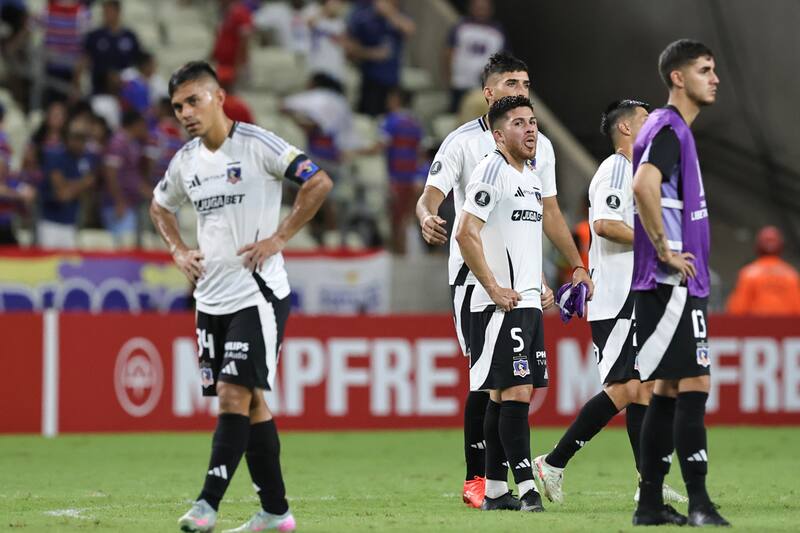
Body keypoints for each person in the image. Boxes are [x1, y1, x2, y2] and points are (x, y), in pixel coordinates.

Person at [150, 61, 331, 533]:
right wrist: (178, 250)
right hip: (210, 301)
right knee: (251, 405)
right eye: (178, 107)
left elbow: (318, 181)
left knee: (233, 394)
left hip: (258, 294)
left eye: (193, 101)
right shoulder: (185, 161)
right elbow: (159, 206)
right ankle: (276, 512)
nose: (186, 113)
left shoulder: (257, 144)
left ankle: (206, 505)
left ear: (218, 97)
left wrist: (279, 238)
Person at [415, 52, 590, 509]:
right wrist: (427, 216)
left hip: (520, 283)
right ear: (489, 92)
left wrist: (570, 266)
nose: (520, 90)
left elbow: (548, 214)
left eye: (526, 84)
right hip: (474, 278)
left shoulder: (538, 148)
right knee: (488, 378)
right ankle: (480, 479)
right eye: (511, 83)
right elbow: (432, 198)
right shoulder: (465, 144)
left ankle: (493, 484)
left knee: (504, 384)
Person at [534, 99, 687, 506]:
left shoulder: (638, 173)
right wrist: (656, 242)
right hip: (618, 298)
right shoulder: (617, 168)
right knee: (624, 389)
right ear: (625, 129)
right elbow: (604, 224)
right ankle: (553, 462)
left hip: (635, 296)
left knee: (643, 388)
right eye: (645, 120)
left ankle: (648, 481)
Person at [455, 95, 574, 512]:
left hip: (525, 301)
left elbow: (519, 240)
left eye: (533, 121)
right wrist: (492, 287)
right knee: (518, 391)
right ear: (498, 134)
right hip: (497, 306)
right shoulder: (492, 170)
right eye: (519, 123)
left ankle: (493, 490)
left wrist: (538, 283)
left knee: (502, 395)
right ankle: (526, 490)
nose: (530, 129)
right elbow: (465, 232)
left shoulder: (532, 177)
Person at [630, 39, 729, 527]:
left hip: (672, 283)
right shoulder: (669, 128)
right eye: (704, 70)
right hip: (671, 282)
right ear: (678, 77)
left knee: (668, 389)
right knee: (695, 382)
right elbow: (643, 185)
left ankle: (650, 505)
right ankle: (699, 504)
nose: (714, 78)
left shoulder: (671, 130)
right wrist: (665, 250)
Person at [37, 115, 98, 248]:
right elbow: (62, 195)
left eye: (83, 139)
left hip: (71, 223)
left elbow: (88, 192)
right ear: (67, 137)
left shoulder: (86, 159)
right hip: (51, 224)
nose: (79, 143)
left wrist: (71, 186)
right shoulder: (55, 156)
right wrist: (83, 183)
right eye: (76, 138)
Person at [346, 0, 415, 116]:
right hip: (371, 79)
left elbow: (410, 30)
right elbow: (349, 49)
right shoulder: (364, 17)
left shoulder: (397, 16)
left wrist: (390, 14)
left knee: (391, 118)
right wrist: (372, 54)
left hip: (392, 79)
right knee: (369, 118)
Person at [376, 88, 424, 254]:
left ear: (396, 100)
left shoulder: (390, 121)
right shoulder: (415, 122)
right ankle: (403, 251)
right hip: (413, 174)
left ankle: (398, 252)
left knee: (396, 216)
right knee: (406, 216)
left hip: (396, 174)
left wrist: (358, 152)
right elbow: (420, 151)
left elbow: (381, 145)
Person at [444, 0, 507, 112]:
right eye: (478, 7)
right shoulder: (462, 26)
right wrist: (448, 77)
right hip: (460, 83)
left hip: (483, 88)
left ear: (490, 10)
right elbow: (449, 52)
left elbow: (503, 60)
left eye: (484, 8)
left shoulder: (498, 32)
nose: (481, 11)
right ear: (471, 8)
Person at [101, 110, 151, 246]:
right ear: (135, 125)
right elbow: (110, 173)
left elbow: (132, 175)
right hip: (118, 205)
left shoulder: (133, 144)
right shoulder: (117, 143)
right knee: (122, 246)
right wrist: (119, 201)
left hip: (130, 204)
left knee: (129, 243)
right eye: (143, 125)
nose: (145, 129)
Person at [726, 225, 800, 315]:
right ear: (781, 245)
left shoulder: (748, 274)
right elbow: (797, 307)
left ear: (757, 245)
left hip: (755, 323)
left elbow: (736, 309)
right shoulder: (791, 274)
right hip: (787, 324)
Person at [81, 0, 142, 95]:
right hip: (100, 90)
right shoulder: (94, 36)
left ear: (118, 12)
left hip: (126, 91)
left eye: (109, 11)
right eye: (105, 12)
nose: (106, 15)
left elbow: (138, 62)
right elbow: (85, 60)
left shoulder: (130, 36)